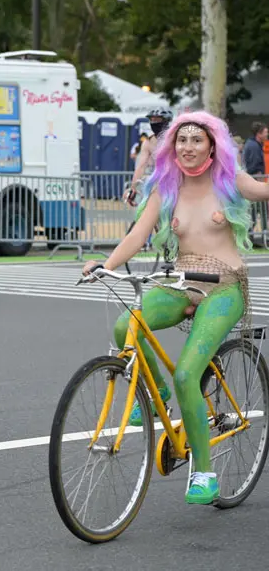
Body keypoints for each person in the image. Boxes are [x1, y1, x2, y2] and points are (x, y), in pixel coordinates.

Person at [81, 111, 269, 505]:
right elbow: (138, 232)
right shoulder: (167, 187)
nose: (188, 147)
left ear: (212, 144)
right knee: (125, 326)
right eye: (181, 140)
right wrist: (107, 266)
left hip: (225, 288)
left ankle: (204, 472)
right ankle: (156, 396)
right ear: (172, 146)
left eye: (196, 140)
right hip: (183, 284)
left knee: (188, 374)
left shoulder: (230, 181)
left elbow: (262, 191)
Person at [123, 108, 173, 206]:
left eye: (157, 120)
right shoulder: (148, 142)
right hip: (157, 185)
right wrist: (133, 188)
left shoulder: (176, 139)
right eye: (152, 120)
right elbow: (141, 166)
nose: (154, 122)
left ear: (166, 121)